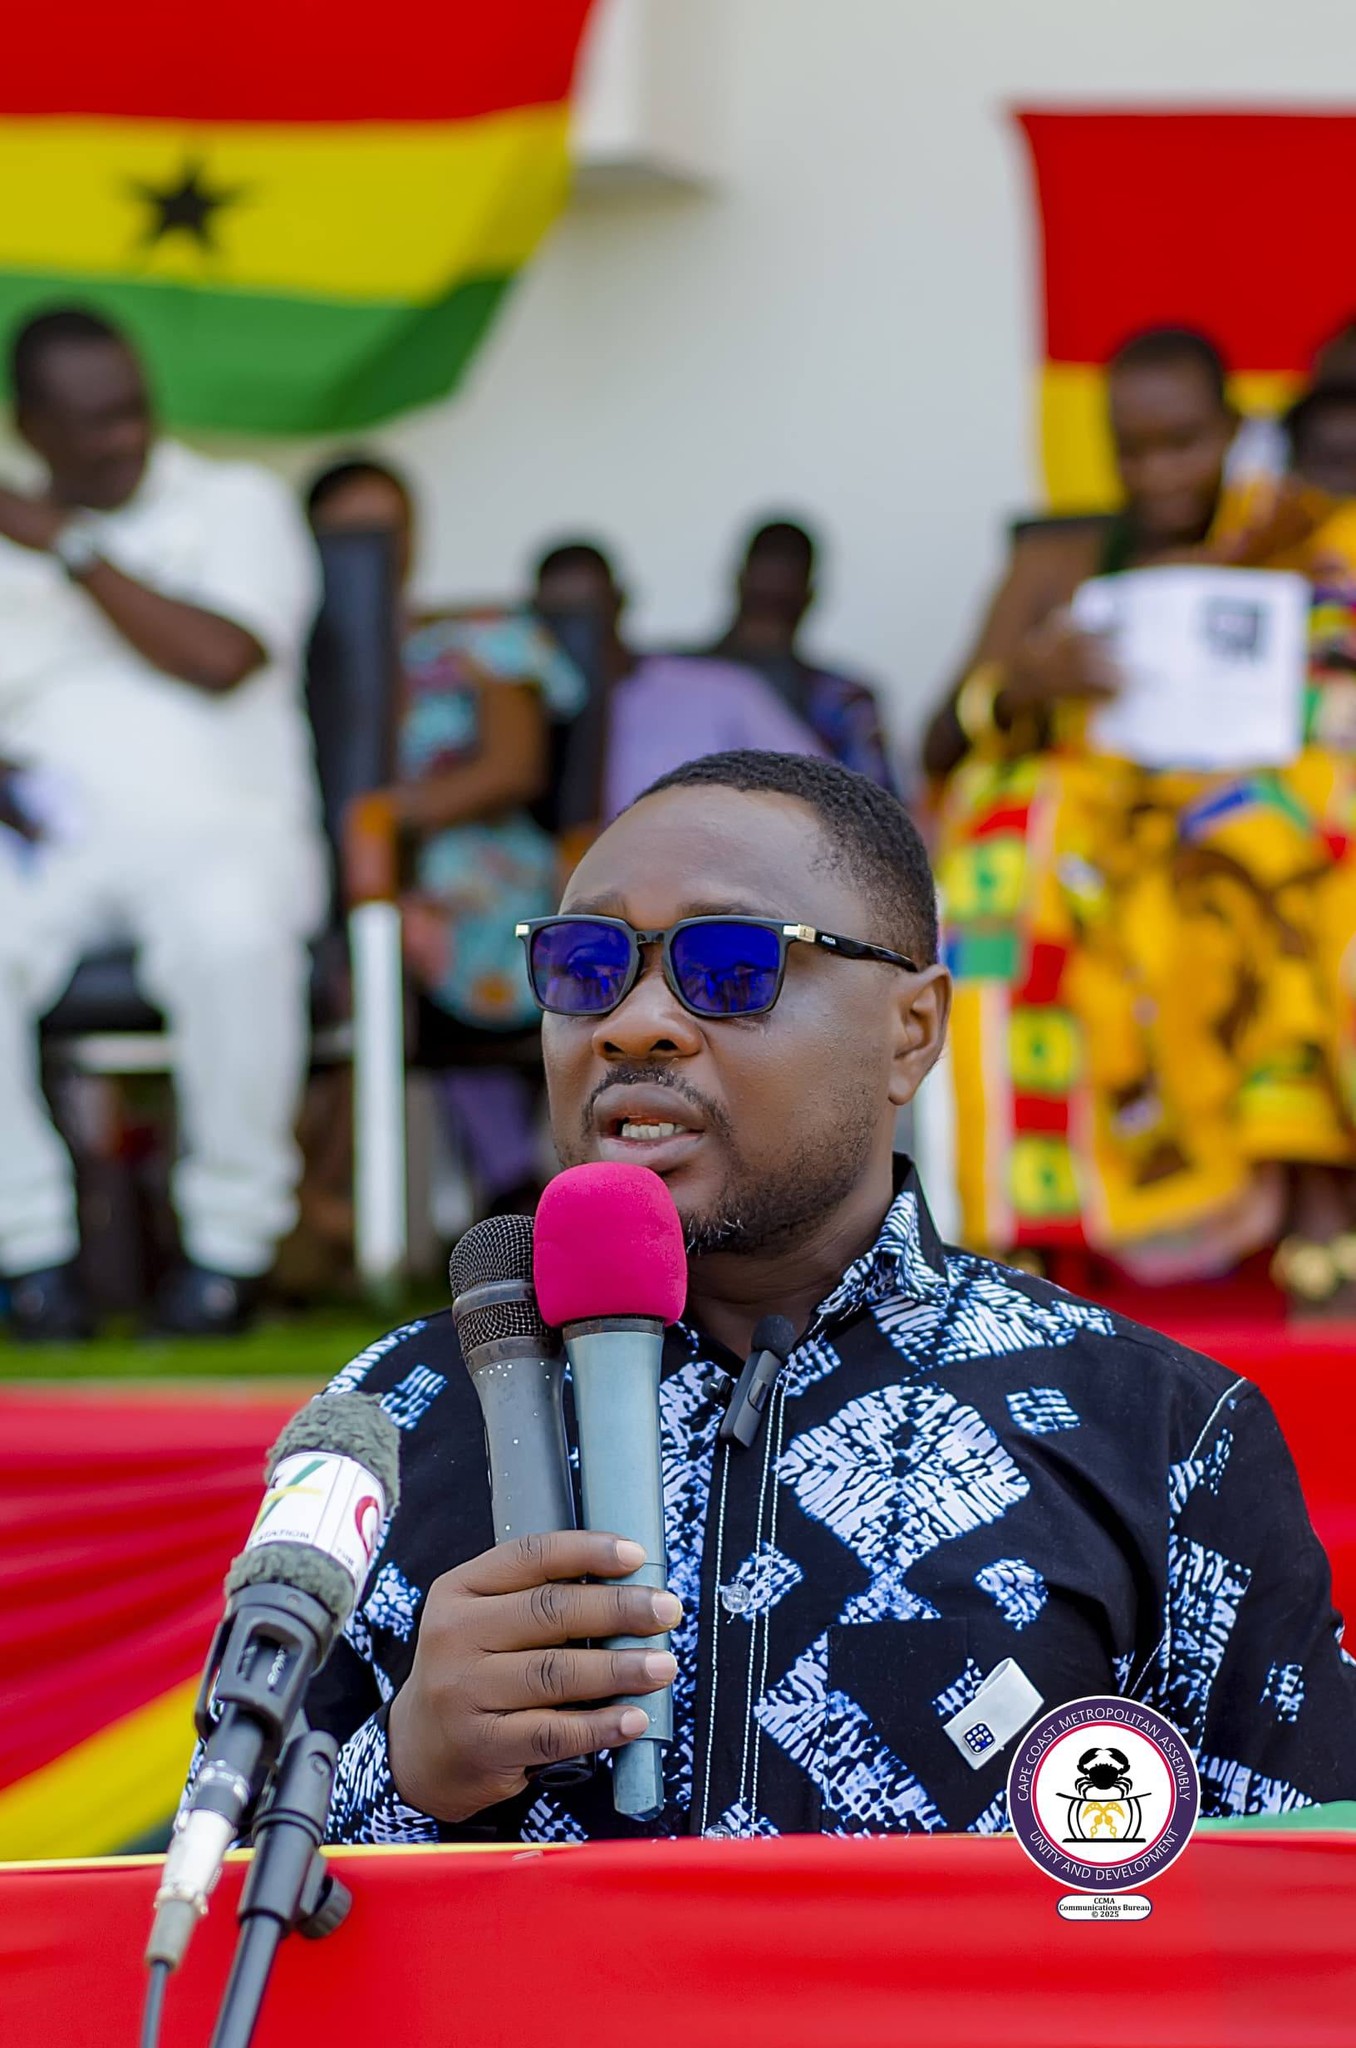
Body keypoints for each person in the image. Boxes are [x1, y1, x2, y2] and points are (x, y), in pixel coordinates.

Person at [299, 751, 1356, 1842]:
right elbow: (217, 1872)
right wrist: (406, 1768)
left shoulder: (1152, 1426)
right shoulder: (389, 1414)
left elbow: (1308, 1882)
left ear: (913, 1030)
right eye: (587, 964)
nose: (633, 1022)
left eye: (730, 965)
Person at [923, 326, 1356, 1308]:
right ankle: (1032, 1231)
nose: (1158, 472)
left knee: (1289, 855)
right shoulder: (1060, 563)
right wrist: (1021, 682)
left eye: (1183, 443)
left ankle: (1319, 1205)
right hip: (1099, 830)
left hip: (1249, 816)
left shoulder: (1297, 545)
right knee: (1013, 858)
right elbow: (940, 742)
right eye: (1134, 449)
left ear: (1233, 430)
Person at [0, 308, 324, 1339]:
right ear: (31, 427)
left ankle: (228, 1254)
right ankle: (29, 1256)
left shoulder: (236, 504)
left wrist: (71, 548)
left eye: (133, 408)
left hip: (218, 834)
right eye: (93, 420)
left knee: (232, 936)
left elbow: (220, 658)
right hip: (47, 845)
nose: (124, 436)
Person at [305, 458, 588, 1221]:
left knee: (392, 948)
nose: (377, 549)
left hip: (478, 876)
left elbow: (513, 766)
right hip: (342, 881)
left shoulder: (476, 637)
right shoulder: (302, 649)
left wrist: (387, 820)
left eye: (389, 528)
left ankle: (336, 1202)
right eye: (352, 534)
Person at [532, 539, 827, 837]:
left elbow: (818, 784)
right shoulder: (533, 710)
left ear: (619, 602)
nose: (576, 632)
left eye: (588, 613)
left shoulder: (718, 688)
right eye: (559, 618)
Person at [701, 517, 897, 788]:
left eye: (779, 607)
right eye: (761, 605)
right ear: (810, 597)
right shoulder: (845, 698)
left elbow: (876, 803)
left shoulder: (846, 702)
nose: (766, 633)